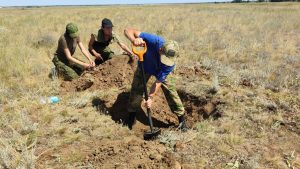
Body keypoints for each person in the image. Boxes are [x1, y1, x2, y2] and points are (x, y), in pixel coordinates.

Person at [124, 28, 188, 131]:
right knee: (136, 90)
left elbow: (158, 81)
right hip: (144, 66)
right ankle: (131, 117)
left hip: (160, 70)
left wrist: (150, 97)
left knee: (171, 91)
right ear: (160, 50)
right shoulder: (154, 40)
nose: (166, 61)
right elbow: (127, 30)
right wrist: (133, 40)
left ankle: (182, 120)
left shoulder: (170, 64)